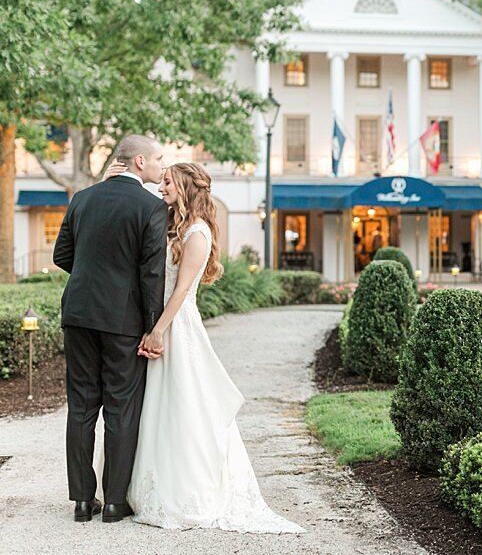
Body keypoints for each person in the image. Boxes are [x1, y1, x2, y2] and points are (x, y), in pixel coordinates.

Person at [100, 160, 305, 533]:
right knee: (157, 407)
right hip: (157, 324)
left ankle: (189, 490)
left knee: (184, 405)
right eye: (160, 181)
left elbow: (180, 292)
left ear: (185, 187)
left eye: (167, 182)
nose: (161, 187)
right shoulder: (168, 225)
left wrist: (159, 331)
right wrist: (112, 182)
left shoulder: (197, 233)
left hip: (177, 328)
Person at [52, 135, 167, 523]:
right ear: (138, 162)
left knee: (81, 405)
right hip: (123, 321)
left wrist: (92, 283)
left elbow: (62, 255)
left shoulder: (82, 198)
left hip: (79, 312)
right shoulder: (151, 207)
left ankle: (82, 501)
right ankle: (115, 501)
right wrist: (153, 329)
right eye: (158, 159)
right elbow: (152, 276)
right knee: (121, 407)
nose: (162, 166)